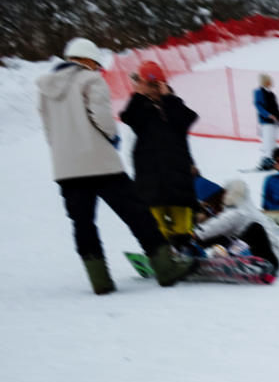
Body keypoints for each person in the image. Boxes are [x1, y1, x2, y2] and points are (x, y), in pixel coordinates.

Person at [36, 36, 192, 293]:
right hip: (101, 164)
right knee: (137, 214)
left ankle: (100, 281)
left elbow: (48, 129)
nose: (97, 69)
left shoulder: (44, 88)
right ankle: (166, 268)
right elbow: (103, 118)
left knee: (83, 224)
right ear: (86, 60)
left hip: (66, 168)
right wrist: (113, 137)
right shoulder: (91, 79)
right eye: (95, 64)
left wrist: (63, 153)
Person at [120, 60, 199, 238]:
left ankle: (184, 252)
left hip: (178, 179)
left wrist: (169, 97)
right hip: (150, 182)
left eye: (157, 85)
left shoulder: (173, 106)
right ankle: (162, 257)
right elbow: (129, 118)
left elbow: (187, 119)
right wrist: (139, 95)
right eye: (149, 85)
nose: (153, 89)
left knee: (182, 228)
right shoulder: (139, 108)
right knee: (155, 229)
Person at [193, 177, 279, 275]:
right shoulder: (236, 206)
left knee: (254, 229)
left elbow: (219, 224)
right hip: (252, 251)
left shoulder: (238, 210)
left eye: (210, 205)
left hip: (268, 259)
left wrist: (195, 234)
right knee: (220, 236)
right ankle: (192, 252)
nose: (211, 209)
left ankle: (232, 257)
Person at [253, 74, 279, 170]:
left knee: (273, 142)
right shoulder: (258, 92)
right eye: (269, 81)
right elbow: (258, 106)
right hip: (266, 121)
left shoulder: (272, 94)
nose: (271, 83)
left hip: (275, 122)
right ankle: (266, 162)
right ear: (265, 81)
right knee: (268, 142)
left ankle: (273, 161)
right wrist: (268, 115)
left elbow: (277, 107)